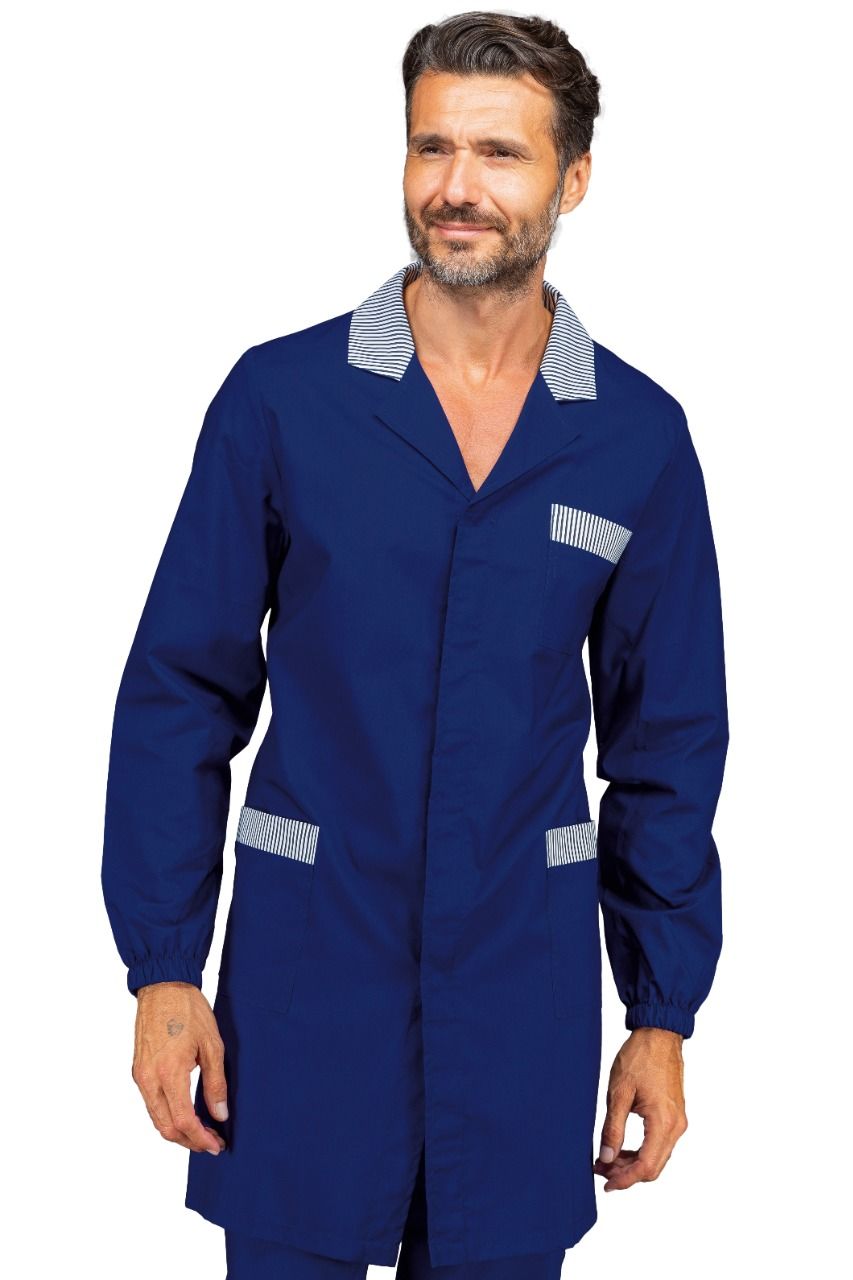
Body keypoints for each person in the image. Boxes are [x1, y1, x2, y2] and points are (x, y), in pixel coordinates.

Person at [101, 11, 729, 1279]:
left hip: (518, 994)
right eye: (431, 145)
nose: (456, 187)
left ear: (573, 179)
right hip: (305, 983)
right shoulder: (283, 400)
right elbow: (179, 690)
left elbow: (665, 744)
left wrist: (660, 1010)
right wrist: (164, 967)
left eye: (500, 154)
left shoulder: (634, 437)